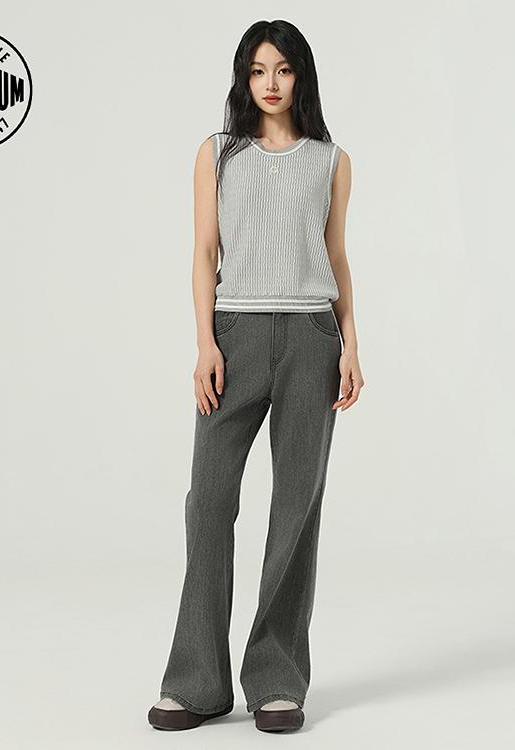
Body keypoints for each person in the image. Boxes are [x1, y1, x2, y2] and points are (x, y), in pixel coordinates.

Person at [148, 19, 364, 733]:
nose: (271, 83)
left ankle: (276, 679)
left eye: (284, 69)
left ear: (302, 77)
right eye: (259, 70)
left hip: (311, 337)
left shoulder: (332, 160)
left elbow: (336, 256)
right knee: (208, 503)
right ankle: (197, 682)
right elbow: (203, 251)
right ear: (244, 78)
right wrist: (204, 342)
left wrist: (350, 345)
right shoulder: (217, 153)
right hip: (234, 336)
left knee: (296, 506)